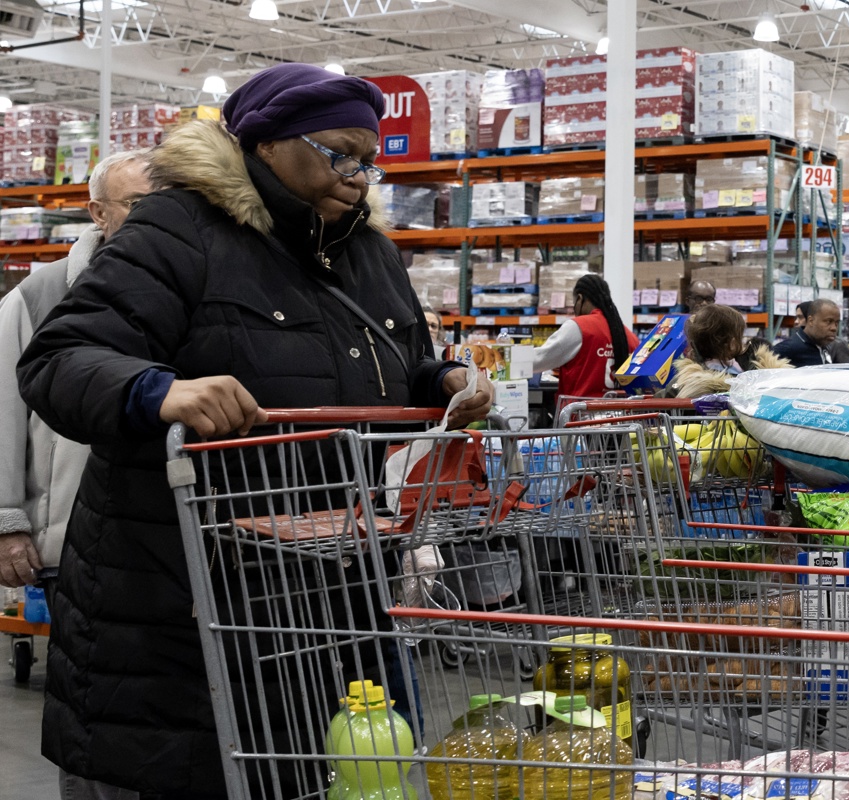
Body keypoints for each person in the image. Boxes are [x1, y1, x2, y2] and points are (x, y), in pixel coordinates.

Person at [16, 63, 493, 798]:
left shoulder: (369, 254)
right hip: (177, 602)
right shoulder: (181, 231)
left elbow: (404, 365)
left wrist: (447, 382)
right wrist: (159, 390)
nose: (360, 174)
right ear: (267, 144)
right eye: (340, 152)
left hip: (320, 604)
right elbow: (60, 360)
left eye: (370, 158)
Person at [0, 150, 152, 599]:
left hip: (160, 536)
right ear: (99, 213)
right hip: (69, 535)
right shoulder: (41, 295)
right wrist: (7, 520)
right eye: (139, 205)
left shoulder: (194, 289)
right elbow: (3, 411)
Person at [532, 273, 639, 400]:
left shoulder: (579, 327)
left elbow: (538, 360)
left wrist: (506, 357)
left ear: (580, 299)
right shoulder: (630, 337)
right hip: (618, 416)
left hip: (581, 416)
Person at [668, 305, 790, 398]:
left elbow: (666, 397)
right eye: (739, 337)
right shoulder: (741, 377)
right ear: (731, 344)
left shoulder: (688, 380)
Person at [772, 297, 841, 366]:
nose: (834, 328)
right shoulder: (787, 349)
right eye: (828, 321)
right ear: (811, 321)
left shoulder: (825, 346)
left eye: (836, 323)